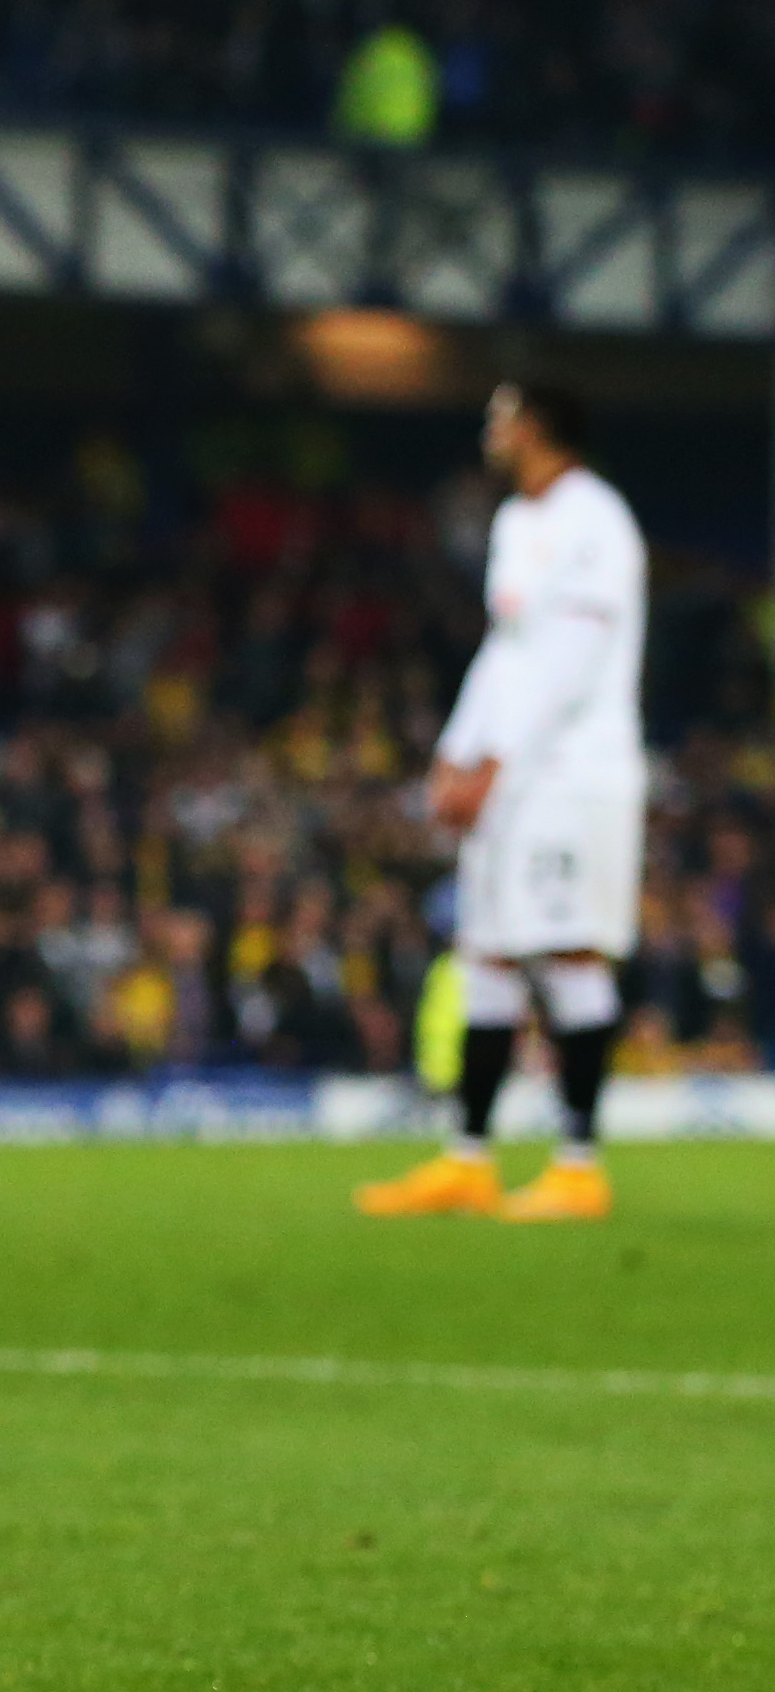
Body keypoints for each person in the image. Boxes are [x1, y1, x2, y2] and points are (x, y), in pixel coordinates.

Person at [356, 380, 645, 1224]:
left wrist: (500, 760)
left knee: (569, 952)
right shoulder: (518, 525)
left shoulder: (596, 520)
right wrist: (456, 751)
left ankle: (579, 1165)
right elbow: (509, 650)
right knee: (486, 951)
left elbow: (574, 656)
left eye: (502, 415)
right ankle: (469, 1158)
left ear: (540, 428)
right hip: (514, 772)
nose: (491, 428)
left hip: (572, 772)